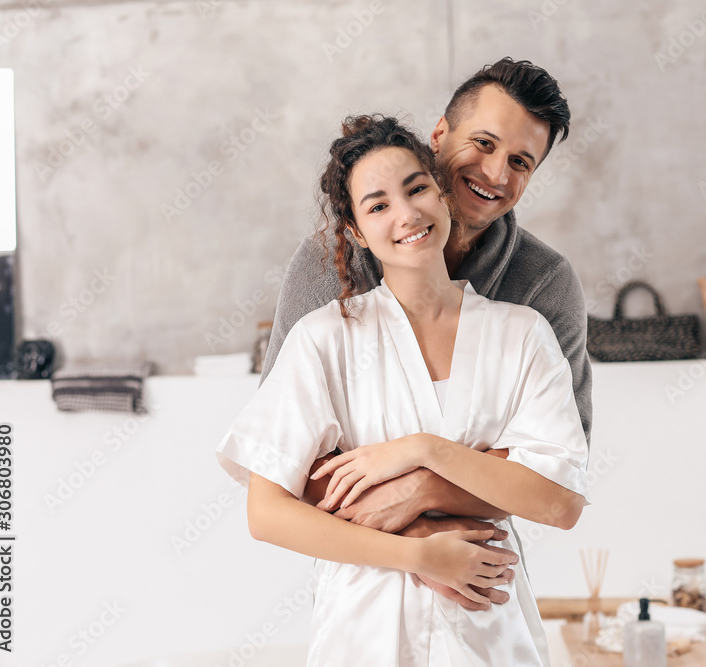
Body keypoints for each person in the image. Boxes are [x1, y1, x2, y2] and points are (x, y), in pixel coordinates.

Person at [217, 116, 588, 665]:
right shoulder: (325, 339)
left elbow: (559, 501)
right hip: (362, 634)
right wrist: (418, 555)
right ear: (355, 233)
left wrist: (423, 450)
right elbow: (267, 512)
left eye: (416, 189)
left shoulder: (522, 333)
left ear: (441, 193)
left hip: (489, 634)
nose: (407, 214)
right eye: (378, 205)